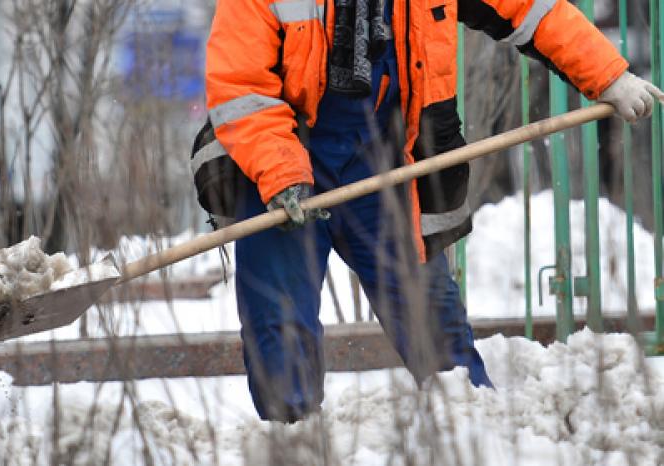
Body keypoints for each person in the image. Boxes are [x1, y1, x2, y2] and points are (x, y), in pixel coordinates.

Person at [202, 0, 662, 422]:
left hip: (380, 168)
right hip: (276, 169)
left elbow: (532, 9)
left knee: (435, 326)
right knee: (279, 328)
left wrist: (608, 76)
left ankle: (473, 431)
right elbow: (240, 87)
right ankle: (294, 441)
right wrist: (281, 174)